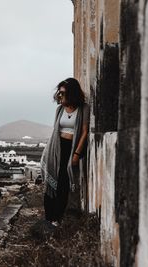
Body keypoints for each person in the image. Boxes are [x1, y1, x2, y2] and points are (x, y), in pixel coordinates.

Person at [40, 78, 89, 227]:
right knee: (51, 182)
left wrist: (76, 154)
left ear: (72, 93)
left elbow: (84, 132)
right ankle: (49, 219)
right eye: (59, 93)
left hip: (71, 148)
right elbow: (56, 131)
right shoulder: (59, 110)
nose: (60, 96)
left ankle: (57, 218)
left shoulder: (83, 108)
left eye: (63, 93)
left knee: (63, 184)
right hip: (56, 148)